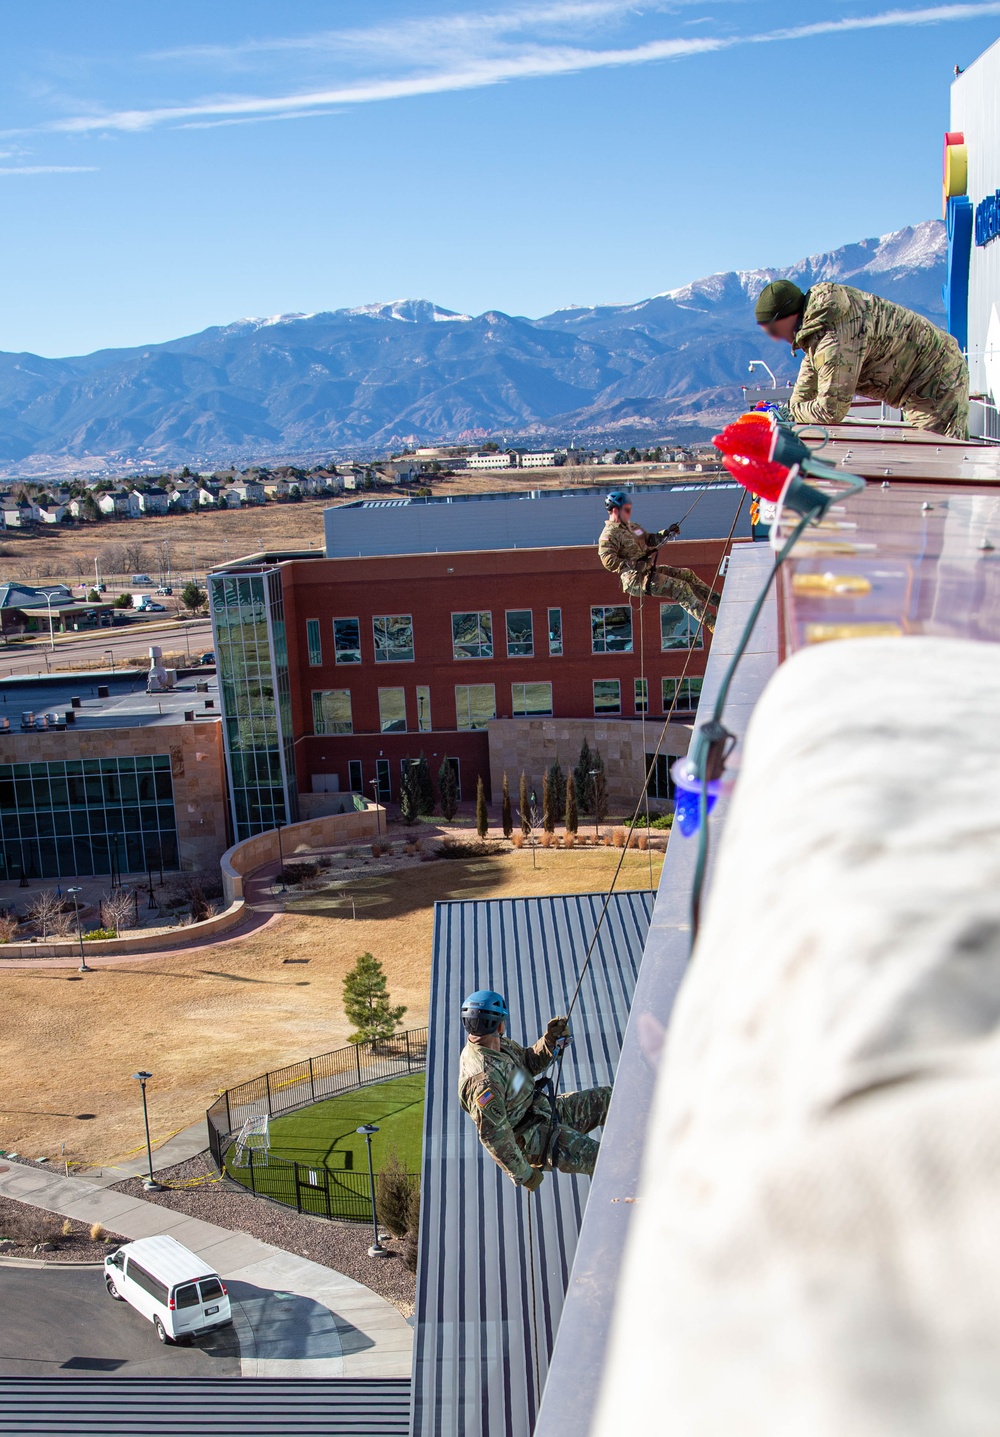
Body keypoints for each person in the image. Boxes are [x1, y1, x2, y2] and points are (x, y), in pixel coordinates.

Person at [754, 278, 970, 440]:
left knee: (938, 459)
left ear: (788, 315)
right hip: (924, 379)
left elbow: (830, 411)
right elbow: (806, 385)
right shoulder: (817, 324)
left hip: (938, 378)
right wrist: (788, 411)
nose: (774, 339)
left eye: (773, 330)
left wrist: (787, 412)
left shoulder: (835, 337)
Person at [457, 989, 611, 1191]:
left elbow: (528, 1064)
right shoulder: (483, 1081)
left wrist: (549, 1042)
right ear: (498, 1024)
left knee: (609, 1099)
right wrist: (524, 1174)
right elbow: (495, 1136)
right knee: (602, 1160)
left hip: (543, 1109)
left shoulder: (499, 1046)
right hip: (534, 1138)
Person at [598, 490, 719, 632]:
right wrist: (633, 564)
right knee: (680, 588)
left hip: (648, 570)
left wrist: (666, 532)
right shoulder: (609, 534)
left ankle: (719, 601)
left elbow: (649, 539)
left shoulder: (632, 527)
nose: (629, 513)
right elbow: (608, 560)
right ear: (614, 510)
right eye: (626, 509)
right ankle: (711, 623)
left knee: (687, 574)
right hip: (635, 579)